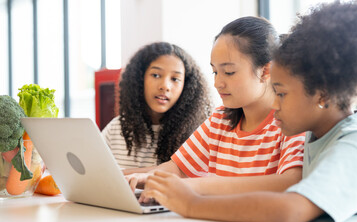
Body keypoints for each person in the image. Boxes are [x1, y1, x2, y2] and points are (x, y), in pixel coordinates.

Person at [143, 1, 357, 222]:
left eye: (280, 93)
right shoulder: (320, 135)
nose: (274, 104)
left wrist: (192, 203)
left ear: (322, 94)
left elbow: (290, 209)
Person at [128, 16, 305, 199]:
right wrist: (141, 177)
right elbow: (177, 169)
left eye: (229, 72)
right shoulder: (220, 120)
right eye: (215, 72)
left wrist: (198, 185)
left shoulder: (289, 121)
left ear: (265, 71)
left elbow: (290, 182)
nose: (217, 83)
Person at [102, 42, 211, 171]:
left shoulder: (197, 133)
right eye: (156, 75)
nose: (165, 86)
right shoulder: (115, 128)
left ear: (186, 87)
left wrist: (122, 176)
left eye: (175, 79)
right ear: (140, 79)